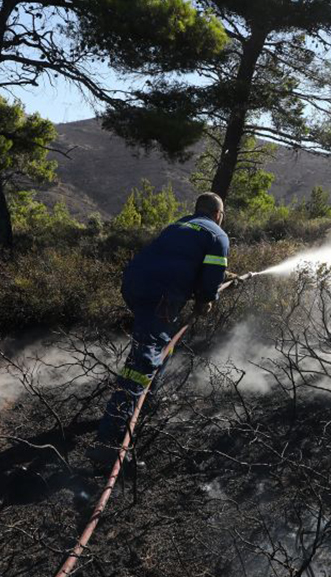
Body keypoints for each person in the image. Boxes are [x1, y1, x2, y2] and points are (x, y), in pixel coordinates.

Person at [88, 192, 230, 468]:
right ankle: (108, 442)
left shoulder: (179, 224)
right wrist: (206, 300)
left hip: (134, 286)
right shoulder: (218, 236)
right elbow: (212, 276)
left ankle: (147, 400)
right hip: (161, 298)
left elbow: (176, 260)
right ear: (218, 215)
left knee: (161, 344)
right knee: (142, 363)